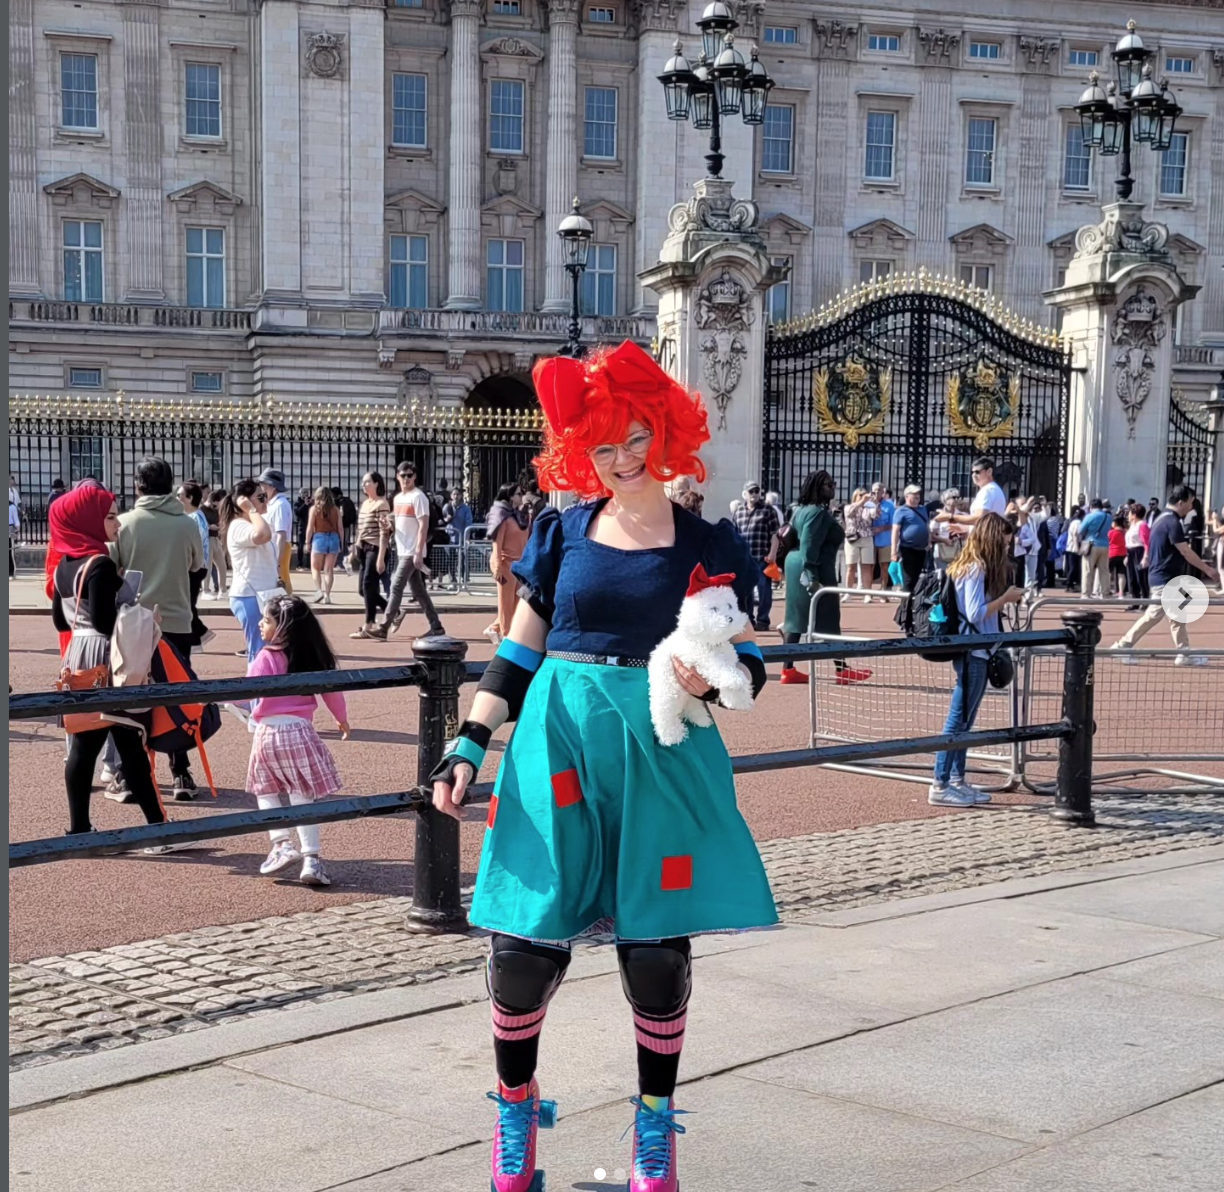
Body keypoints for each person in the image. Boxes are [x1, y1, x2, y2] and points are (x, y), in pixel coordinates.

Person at [429, 341, 776, 1192]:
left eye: (635, 438)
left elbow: (748, 662)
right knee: (522, 952)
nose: (622, 459)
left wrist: (713, 681)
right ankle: (516, 1115)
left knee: (656, 958)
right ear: (580, 451)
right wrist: (468, 741)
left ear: (664, 433)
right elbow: (519, 651)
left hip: (663, 750)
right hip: (560, 746)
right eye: (603, 445)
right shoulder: (562, 534)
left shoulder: (708, 543)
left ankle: (655, 1131)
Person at [50, 485, 182, 840]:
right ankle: (157, 830)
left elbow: (60, 622)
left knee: (84, 746)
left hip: (78, 652)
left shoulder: (63, 565)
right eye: (110, 517)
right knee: (129, 741)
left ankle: (80, 829)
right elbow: (106, 622)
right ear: (89, 520)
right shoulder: (101, 563)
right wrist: (128, 603)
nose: (117, 524)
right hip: (109, 657)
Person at [113, 457, 204, 800]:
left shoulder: (125, 523)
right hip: (177, 620)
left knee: (131, 697)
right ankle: (181, 773)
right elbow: (196, 566)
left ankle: (128, 773)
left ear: (138, 486)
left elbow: (114, 569)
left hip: (134, 622)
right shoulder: (187, 524)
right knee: (175, 696)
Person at [245, 595, 349, 887]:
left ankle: (281, 844)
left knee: (266, 790)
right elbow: (332, 691)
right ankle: (311, 858)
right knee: (302, 794)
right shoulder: (311, 656)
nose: (261, 624)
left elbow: (246, 689)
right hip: (300, 730)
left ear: (282, 627)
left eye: (266, 620)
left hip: (267, 732)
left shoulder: (266, 656)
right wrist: (341, 718)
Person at [930, 512, 1025, 807]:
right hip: (973, 648)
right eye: (1004, 543)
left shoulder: (973, 565)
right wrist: (1005, 599)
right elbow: (974, 613)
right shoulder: (975, 567)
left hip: (977, 648)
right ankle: (940, 783)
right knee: (958, 720)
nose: (1006, 548)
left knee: (965, 721)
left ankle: (956, 779)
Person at [1111, 485, 1220, 666]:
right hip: (1165, 578)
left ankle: (1183, 652)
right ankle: (1123, 645)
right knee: (1155, 614)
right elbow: (1185, 551)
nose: (1191, 507)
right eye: (1190, 503)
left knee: (1177, 613)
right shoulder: (1172, 522)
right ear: (1181, 502)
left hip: (1165, 576)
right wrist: (1208, 570)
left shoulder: (1162, 519)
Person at [780, 470, 872, 687]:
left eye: (833, 484)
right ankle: (842, 670)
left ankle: (787, 669)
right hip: (815, 568)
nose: (833, 488)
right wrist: (811, 576)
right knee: (829, 620)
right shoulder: (817, 513)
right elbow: (809, 544)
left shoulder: (801, 510)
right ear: (817, 488)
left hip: (796, 566)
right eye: (828, 485)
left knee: (795, 621)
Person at [369, 462, 446, 641]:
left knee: (396, 586)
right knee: (418, 590)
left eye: (409, 475)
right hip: (402, 549)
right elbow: (398, 523)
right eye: (403, 475)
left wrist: (418, 551)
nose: (406, 479)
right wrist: (388, 524)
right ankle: (436, 625)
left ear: (414, 477)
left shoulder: (418, 497)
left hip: (411, 550)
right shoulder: (397, 499)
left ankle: (383, 627)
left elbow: (423, 525)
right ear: (397, 477)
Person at [221, 479, 281, 663]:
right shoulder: (238, 525)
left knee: (270, 651)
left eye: (265, 496)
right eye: (260, 497)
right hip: (250, 596)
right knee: (259, 652)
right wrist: (251, 510)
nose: (266, 500)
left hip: (264, 594)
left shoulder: (254, 523)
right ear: (243, 501)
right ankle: (257, 682)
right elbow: (263, 535)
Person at [732, 481, 781, 631]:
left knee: (763, 590)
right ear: (745, 494)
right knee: (746, 591)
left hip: (762, 557)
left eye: (756, 491)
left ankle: (763, 620)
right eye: (751, 491)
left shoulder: (768, 510)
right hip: (744, 559)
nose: (754, 494)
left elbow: (775, 535)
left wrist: (772, 553)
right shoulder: (738, 512)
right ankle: (748, 619)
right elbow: (734, 536)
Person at [484, 482, 529, 645]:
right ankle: (506, 637)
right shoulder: (502, 516)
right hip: (505, 564)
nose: (522, 496)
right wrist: (497, 566)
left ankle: (493, 629)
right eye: (518, 494)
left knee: (519, 603)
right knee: (505, 604)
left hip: (519, 565)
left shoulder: (520, 515)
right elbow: (497, 543)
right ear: (510, 497)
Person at [350, 472, 391, 640]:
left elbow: (384, 532)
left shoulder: (382, 504)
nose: (364, 485)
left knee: (368, 584)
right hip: (364, 547)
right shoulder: (365, 504)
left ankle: (369, 625)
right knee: (363, 589)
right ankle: (392, 610)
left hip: (376, 547)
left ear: (376, 484)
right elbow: (361, 529)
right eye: (363, 482)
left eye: (367, 482)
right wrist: (355, 547)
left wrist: (381, 557)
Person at [176, 481, 212, 648]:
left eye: (180, 495)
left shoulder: (193, 518)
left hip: (194, 567)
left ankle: (199, 635)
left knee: (187, 605)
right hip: (197, 566)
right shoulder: (197, 516)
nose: (177, 498)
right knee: (188, 604)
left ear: (189, 498)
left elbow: (192, 545)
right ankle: (199, 636)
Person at [938, 456, 1007, 540]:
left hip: (984, 541)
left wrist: (950, 517)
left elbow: (979, 518)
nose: (974, 475)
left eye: (977, 472)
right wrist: (966, 528)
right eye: (972, 472)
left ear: (989, 471)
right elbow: (986, 522)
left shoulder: (987, 491)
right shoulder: (995, 489)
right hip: (990, 538)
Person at [258, 469, 294, 594]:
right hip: (271, 547)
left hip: (279, 548)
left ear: (272, 486)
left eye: (263, 484)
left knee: (280, 582)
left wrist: (277, 560)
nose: (261, 488)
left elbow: (281, 535)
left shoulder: (280, 505)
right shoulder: (272, 504)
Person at [891, 483, 930, 597]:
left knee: (916, 577)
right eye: (914, 494)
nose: (917, 496)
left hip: (921, 549)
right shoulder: (901, 511)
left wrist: (929, 542)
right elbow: (895, 531)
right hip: (907, 548)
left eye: (918, 494)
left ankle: (913, 602)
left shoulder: (923, 509)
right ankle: (906, 603)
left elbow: (927, 526)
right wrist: (893, 551)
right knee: (908, 578)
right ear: (907, 496)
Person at [305, 486, 343, 604]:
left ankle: (319, 590)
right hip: (334, 538)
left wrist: (307, 542)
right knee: (329, 569)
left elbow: (310, 527)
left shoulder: (314, 509)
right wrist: (341, 542)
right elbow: (340, 528)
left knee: (315, 568)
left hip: (319, 537)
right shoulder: (336, 509)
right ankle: (327, 595)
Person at [842, 487, 876, 602]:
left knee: (866, 567)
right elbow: (849, 514)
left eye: (864, 495)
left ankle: (867, 594)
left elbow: (875, 515)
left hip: (866, 538)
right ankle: (848, 593)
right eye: (860, 495)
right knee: (851, 567)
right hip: (852, 539)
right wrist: (861, 501)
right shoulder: (848, 507)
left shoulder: (868, 508)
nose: (863, 497)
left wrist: (875, 503)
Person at [1077, 498, 1111, 599]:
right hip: (1105, 544)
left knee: (1087, 570)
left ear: (1091, 506)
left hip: (1091, 544)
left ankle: (1086, 593)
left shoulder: (1090, 516)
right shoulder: (1108, 517)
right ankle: (1105, 593)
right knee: (1104, 570)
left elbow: (1080, 530)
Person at [1124, 502, 1151, 609]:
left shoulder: (1142, 525)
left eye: (1129, 513)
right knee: (1132, 578)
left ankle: (1145, 601)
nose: (1128, 515)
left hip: (1139, 552)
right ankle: (1135, 600)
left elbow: (1146, 542)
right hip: (1131, 552)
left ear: (1134, 514)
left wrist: (1145, 557)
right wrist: (1127, 555)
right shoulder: (1132, 525)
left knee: (1141, 578)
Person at [870, 482, 896, 590]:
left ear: (883, 492)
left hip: (885, 540)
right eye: (874, 490)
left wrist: (881, 528)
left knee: (884, 567)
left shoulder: (889, 506)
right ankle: (868, 591)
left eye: (879, 490)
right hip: (870, 541)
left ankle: (883, 589)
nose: (876, 492)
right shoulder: (868, 504)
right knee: (869, 567)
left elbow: (894, 524)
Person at [931, 489, 961, 575]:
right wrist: (944, 540)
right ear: (946, 500)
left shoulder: (961, 515)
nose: (956, 499)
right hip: (942, 550)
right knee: (942, 575)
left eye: (958, 497)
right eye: (953, 497)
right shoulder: (938, 514)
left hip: (957, 550)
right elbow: (931, 534)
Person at [1108, 513, 1129, 599]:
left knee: (1108, 573)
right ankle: (1121, 593)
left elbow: (1108, 541)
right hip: (1123, 554)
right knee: (1121, 574)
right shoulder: (1125, 532)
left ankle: (1106, 590)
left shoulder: (1111, 532)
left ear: (1115, 523)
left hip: (1112, 554)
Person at [293, 486, 312, 570]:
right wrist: (305, 504)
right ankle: (299, 564)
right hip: (302, 526)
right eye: (303, 493)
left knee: (310, 544)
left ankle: (308, 564)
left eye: (306, 493)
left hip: (310, 525)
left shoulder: (310, 503)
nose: (305, 495)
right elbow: (297, 512)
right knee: (301, 545)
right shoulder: (297, 503)